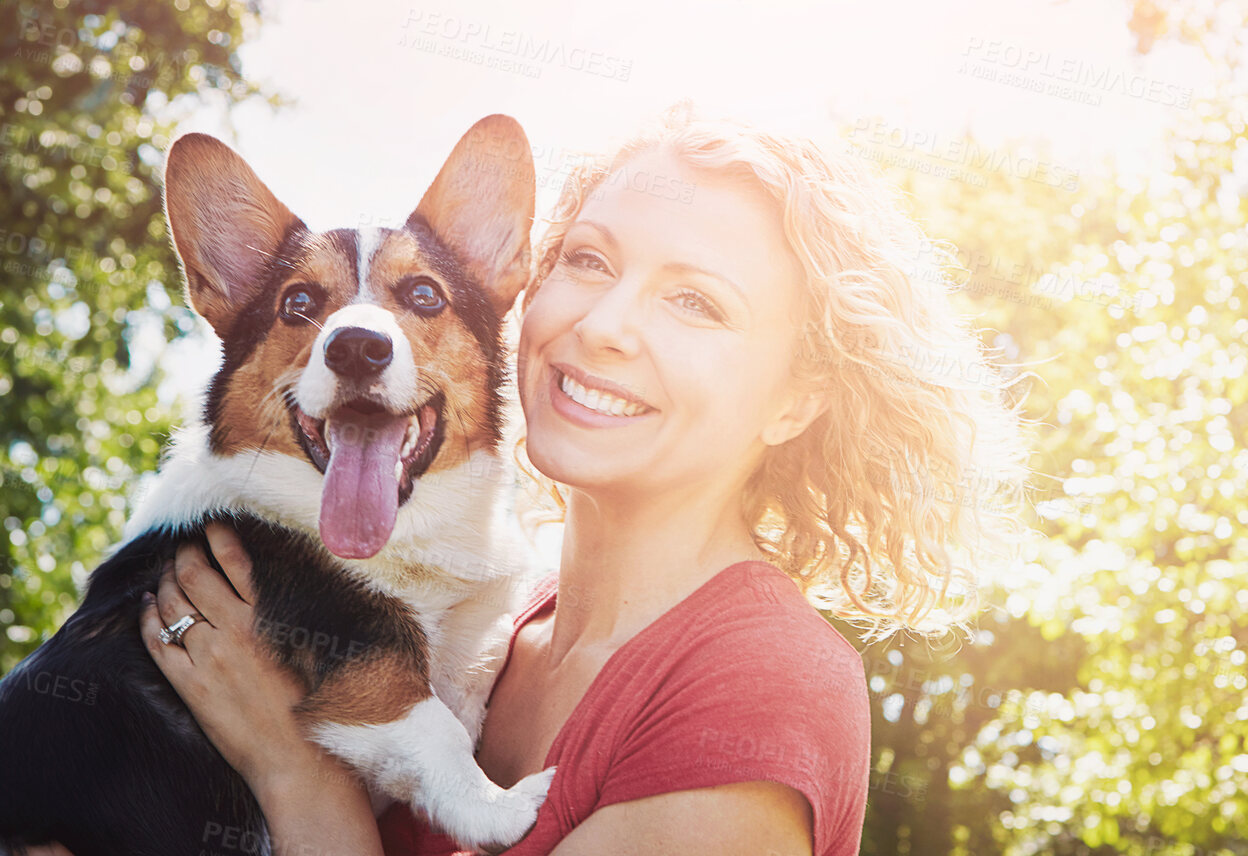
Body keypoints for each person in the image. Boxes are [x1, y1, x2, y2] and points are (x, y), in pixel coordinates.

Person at [28, 103, 1026, 856]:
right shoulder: (483, 637)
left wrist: (299, 779)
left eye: (694, 301)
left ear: (795, 398)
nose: (602, 325)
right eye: (587, 259)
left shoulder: (757, 686)